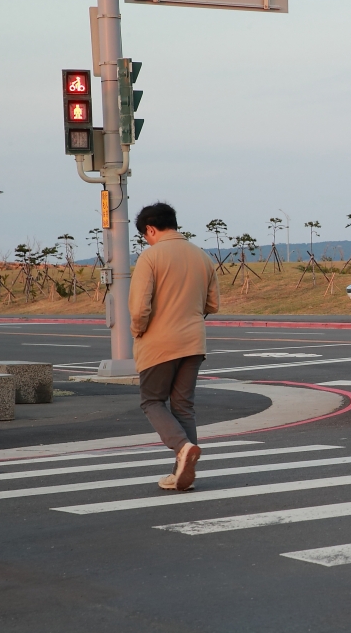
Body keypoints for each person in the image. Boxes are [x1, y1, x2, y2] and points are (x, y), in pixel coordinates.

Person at [129, 202, 220, 491]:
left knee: (152, 401)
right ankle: (181, 470)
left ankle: (181, 447)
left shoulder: (150, 257)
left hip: (159, 343)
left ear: (151, 229)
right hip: (194, 342)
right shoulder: (202, 257)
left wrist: (138, 332)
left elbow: (139, 308)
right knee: (184, 407)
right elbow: (213, 305)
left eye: (146, 234)